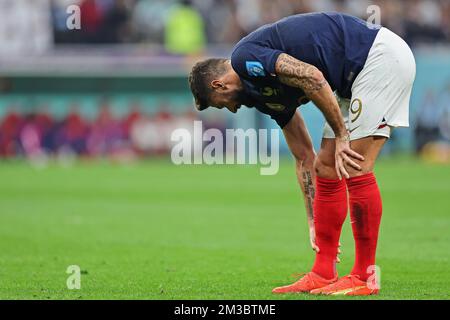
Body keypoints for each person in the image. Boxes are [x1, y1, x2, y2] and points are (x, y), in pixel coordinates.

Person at [188, 12, 415, 296]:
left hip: (378, 59)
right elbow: (303, 157)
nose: (231, 110)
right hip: (353, 78)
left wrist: (342, 134)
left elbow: (313, 76)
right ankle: (323, 272)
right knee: (326, 167)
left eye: (220, 105)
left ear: (218, 85)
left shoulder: (245, 57)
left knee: (355, 166)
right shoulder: (261, 96)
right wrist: (313, 221)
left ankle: (364, 276)